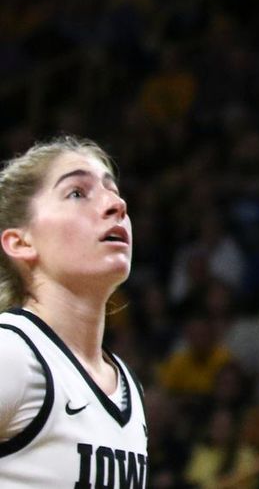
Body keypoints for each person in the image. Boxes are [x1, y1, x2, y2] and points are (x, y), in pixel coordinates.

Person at [0, 136, 149, 487]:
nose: (117, 205)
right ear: (21, 242)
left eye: (113, 191)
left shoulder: (128, 385)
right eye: (77, 193)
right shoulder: (13, 353)